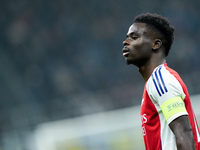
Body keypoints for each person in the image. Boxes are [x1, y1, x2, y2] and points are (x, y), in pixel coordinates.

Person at [122, 13, 200, 150]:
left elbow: (184, 133)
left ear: (156, 44)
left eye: (134, 37)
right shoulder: (155, 82)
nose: (126, 42)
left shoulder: (161, 80)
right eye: (127, 38)